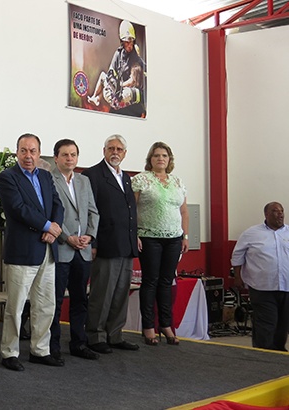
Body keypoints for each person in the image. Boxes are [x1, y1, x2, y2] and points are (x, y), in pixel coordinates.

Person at [0, 134, 64, 371]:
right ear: (17, 152)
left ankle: (40, 350)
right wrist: (47, 226)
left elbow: (58, 205)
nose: (28, 156)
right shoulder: (7, 177)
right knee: (15, 307)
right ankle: (9, 352)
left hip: (47, 249)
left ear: (39, 153)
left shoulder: (46, 176)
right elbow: (18, 209)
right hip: (23, 251)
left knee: (46, 304)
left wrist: (54, 230)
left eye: (33, 151)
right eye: (24, 151)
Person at [82, 134, 139, 354]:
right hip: (105, 244)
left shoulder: (125, 177)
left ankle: (115, 334)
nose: (115, 152)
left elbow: (130, 211)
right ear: (103, 150)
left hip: (125, 244)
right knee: (102, 293)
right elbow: (89, 211)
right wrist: (93, 242)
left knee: (120, 293)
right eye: (111, 148)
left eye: (119, 149)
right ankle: (95, 336)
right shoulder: (92, 175)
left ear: (125, 153)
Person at [132, 142, 189, 346]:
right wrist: (134, 235)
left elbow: (183, 212)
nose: (160, 159)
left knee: (166, 282)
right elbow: (131, 209)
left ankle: (166, 325)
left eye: (164, 155)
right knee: (150, 281)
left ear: (169, 159)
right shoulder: (140, 180)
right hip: (148, 237)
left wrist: (185, 236)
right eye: (156, 155)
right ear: (150, 159)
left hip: (174, 238)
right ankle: (148, 327)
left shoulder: (177, 181)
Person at [49, 139, 100, 361]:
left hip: (83, 250)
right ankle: (52, 346)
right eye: (65, 155)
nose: (70, 159)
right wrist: (67, 237)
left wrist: (90, 235)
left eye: (73, 155)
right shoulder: (48, 179)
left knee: (80, 299)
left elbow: (93, 212)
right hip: (62, 248)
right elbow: (49, 214)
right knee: (56, 300)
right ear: (56, 157)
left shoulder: (84, 181)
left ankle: (79, 343)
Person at [231, 202, 289, 351]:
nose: (280, 214)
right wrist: (237, 277)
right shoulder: (251, 233)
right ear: (266, 214)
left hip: (286, 286)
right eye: (275, 211)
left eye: (282, 211)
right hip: (261, 287)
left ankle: (279, 351)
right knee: (266, 322)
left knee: (283, 323)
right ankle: (263, 353)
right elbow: (237, 255)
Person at [87, 20, 147, 117]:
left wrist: (121, 86)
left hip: (131, 102)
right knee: (104, 77)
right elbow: (111, 74)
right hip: (118, 97)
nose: (129, 45)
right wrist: (114, 86)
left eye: (131, 41)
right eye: (126, 42)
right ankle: (96, 98)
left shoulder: (137, 60)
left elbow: (133, 80)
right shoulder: (118, 54)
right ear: (122, 41)